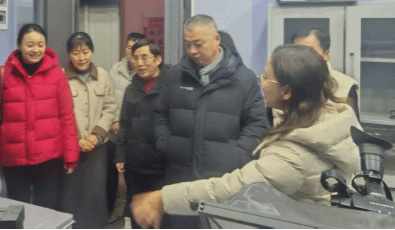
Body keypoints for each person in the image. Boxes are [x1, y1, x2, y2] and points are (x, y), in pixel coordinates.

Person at [131, 44, 361, 229]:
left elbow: (233, 188)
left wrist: (162, 198)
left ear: (287, 91)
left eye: (266, 78)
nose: (261, 82)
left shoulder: (294, 155)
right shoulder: (327, 114)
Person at [154, 14, 268, 227]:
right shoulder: (175, 75)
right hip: (181, 178)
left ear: (216, 39)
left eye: (198, 44)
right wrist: (165, 143)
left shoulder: (244, 79)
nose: (192, 51)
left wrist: (237, 155)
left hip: (224, 181)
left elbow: (257, 124)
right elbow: (160, 113)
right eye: (187, 44)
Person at [0, 24, 78, 210]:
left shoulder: (57, 75)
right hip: (13, 160)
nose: (36, 50)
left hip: (49, 159)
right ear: (19, 45)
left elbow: (67, 117)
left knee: (48, 211)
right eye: (30, 44)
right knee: (19, 210)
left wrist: (71, 155)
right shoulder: (2, 74)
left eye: (41, 44)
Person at [62, 32, 117, 229]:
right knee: (71, 194)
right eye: (75, 53)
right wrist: (76, 139)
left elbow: (110, 107)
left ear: (92, 52)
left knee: (95, 194)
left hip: (98, 148)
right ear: (69, 54)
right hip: (71, 148)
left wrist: (96, 136)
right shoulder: (60, 76)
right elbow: (58, 111)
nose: (81, 57)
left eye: (85, 52)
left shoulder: (103, 75)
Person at [115, 39, 168, 230]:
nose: (139, 63)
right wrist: (120, 155)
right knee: (138, 215)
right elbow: (124, 123)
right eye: (135, 58)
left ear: (158, 59)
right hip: (135, 165)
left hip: (162, 166)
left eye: (145, 57)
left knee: (161, 216)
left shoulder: (170, 87)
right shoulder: (131, 88)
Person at [108, 32, 146, 223]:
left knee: (133, 175)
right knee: (113, 173)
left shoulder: (146, 70)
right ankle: (113, 210)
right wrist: (115, 120)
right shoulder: (115, 70)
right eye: (129, 47)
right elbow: (109, 97)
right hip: (116, 132)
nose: (132, 52)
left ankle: (131, 211)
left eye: (136, 47)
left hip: (137, 134)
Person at [292, 28, 360, 119]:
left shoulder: (345, 85)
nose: (302, 57)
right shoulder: (282, 82)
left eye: (310, 51)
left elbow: (352, 126)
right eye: (297, 51)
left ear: (326, 54)